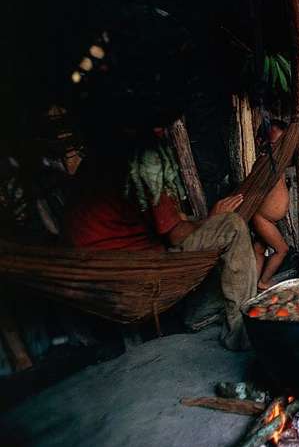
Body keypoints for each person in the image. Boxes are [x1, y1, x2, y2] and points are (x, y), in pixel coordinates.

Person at [65, 127, 258, 350]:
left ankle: (199, 314)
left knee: (202, 226)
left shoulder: (98, 161)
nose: (162, 131)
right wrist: (214, 217)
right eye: (158, 125)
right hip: (138, 270)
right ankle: (240, 335)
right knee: (231, 226)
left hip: (99, 266)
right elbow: (176, 235)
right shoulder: (142, 162)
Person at [251, 120, 291, 290]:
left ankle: (252, 286)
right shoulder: (263, 163)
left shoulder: (278, 162)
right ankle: (263, 282)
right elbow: (254, 189)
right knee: (282, 250)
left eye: (282, 144)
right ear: (261, 142)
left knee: (259, 250)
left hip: (267, 219)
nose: (278, 149)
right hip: (262, 219)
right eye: (274, 144)